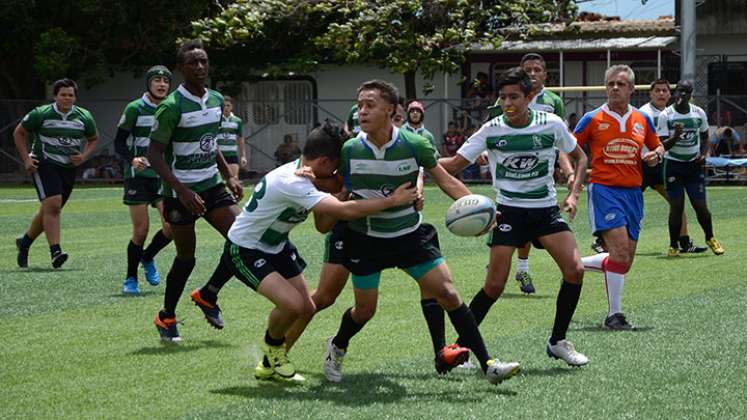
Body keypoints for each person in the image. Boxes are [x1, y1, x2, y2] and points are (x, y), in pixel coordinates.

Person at [322, 79, 520, 385]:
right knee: (364, 311)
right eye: (360, 105)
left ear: (390, 110)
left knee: (449, 294)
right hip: (365, 240)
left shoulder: (414, 144)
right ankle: (337, 346)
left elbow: (445, 179)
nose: (362, 111)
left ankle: (489, 364)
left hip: (409, 237)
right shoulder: (350, 149)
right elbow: (344, 189)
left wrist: (482, 209)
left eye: (370, 105)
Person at [195, 123, 418, 382]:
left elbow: (323, 226)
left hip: (276, 247)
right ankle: (274, 350)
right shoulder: (294, 182)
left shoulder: (308, 175)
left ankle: (268, 365)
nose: (336, 173)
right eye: (335, 167)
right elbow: (342, 213)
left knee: (308, 308)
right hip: (245, 249)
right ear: (324, 161)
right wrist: (391, 201)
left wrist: (341, 192)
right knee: (292, 305)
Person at [279, 103, 466, 377]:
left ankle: (443, 353)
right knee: (326, 297)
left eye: (400, 118)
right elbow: (333, 181)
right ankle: (278, 349)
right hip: (350, 226)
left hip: (391, 225)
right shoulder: (353, 145)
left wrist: (418, 190)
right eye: (363, 110)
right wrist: (315, 182)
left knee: (435, 287)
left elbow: (417, 170)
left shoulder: (406, 141)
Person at [440, 67, 590, 366]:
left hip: (546, 211)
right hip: (508, 212)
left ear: (530, 96)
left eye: (515, 97)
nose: (508, 103)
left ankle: (557, 341)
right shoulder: (492, 129)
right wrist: (421, 164)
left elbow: (581, 157)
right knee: (494, 285)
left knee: (574, 270)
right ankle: (460, 349)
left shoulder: (551, 124)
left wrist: (573, 194)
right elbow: (453, 165)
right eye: (503, 97)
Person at [147, 39, 243, 342]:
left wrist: (229, 174)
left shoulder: (215, 100)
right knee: (186, 257)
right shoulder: (171, 107)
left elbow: (210, 142)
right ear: (181, 68)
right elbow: (154, 154)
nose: (200, 67)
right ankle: (167, 316)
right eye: (193, 63)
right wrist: (182, 191)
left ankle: (208, 294)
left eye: (203, 61)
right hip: (180, 193)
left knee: (244, 239)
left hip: (212, 185)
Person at [574, 65, 664, 330]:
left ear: (632, 89)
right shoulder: (592, 118)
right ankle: (615, 315)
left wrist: (655, 155)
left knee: (623, 262)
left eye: (620, 84)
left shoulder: (642, 119)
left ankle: (574, 265)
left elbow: (657, 145)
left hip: (633, 193)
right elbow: (570, 145)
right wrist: (569, 173)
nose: (614, 88)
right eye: (610, 83)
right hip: (604, 190)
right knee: (620, 253)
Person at [485, 53, 574, 295]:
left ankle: (518, 265)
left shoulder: (553, 102)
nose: (533, 73)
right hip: (511, 173)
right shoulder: (503, 102)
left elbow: (562, 143)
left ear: (546, 74)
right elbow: (488, 134)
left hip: (544, 168)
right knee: (516, 214)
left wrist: (568, 171)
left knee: (535, 217)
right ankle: (509, 264)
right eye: (528, 70)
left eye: (537, 69)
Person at [14, 78, 99, 269]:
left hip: (68, 168)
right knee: (53, 206)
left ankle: (25, 242)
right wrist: (26, 160)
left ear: (75, 97)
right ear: (55, 96)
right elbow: (19, 133)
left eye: (70, 95)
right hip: (44, 164)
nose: (67, 98)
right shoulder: (41, 114)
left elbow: (93, 139)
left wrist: (83, 156)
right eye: (63, 95)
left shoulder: (84, 116)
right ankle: (56, 253)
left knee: (50, 209)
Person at [114, 65, 175, 295]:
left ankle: (148, 257)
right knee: (141, 230)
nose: (161, 84)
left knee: (170, 227)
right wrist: (132, 159)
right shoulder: (135, 108)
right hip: (138, 177)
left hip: (163, 175)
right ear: (148, 84)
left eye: (165, 81)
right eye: (157, 80)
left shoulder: (173, 107)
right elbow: (119, 142)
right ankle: (131, 278)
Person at [637, 79, 706, 254]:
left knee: (677, 204)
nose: (661, 94)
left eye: (664, 91)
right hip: (643, 166)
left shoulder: (671, 114)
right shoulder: (643, 112)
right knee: (626, 201)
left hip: (664, 166)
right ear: (650, 93)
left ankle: (683, 242)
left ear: (670, 94)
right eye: (657, 90)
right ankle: (602, 240)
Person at [658, 80, 725, 257]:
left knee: (701, 206)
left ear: (690, 95)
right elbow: (663, 145)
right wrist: (676, 136)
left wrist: (704, 154)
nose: (682, 95)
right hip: (673, 165)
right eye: (679, 91)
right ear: (675, 92)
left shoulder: (698, 113)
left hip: (693, 166)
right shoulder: (667, 115)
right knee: (677, 206)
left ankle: (710, 237)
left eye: (686, 92)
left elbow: (705, 138)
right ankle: (673, 245)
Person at [217, 95, 247, 177]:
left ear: (232, 107)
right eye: (224, 106)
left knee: (234, 178)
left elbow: (240, 139)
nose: (226, 108)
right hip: (219, 155)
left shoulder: (237, 121)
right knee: (219, 181)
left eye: (228, 105)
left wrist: (243, 156)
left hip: (231, 154)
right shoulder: (216, 119)